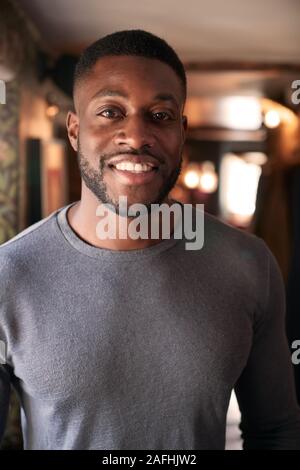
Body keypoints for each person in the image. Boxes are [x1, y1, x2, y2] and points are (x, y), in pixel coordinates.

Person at [0, 29, 300, 450]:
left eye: (159, 115)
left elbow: (277, 432)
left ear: (182, 131)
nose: (137, 136)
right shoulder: (10, 275)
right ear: (73, 131)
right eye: (110, 112)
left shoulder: (248, 264)